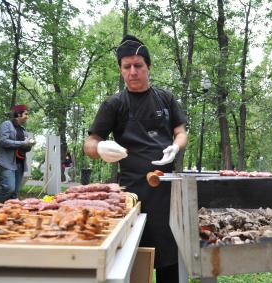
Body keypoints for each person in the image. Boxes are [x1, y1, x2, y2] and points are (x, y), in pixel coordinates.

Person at [84, 34, 187, 283]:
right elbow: (90, 142)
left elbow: (181, 132)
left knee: (169, 258)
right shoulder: (114, 104)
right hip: (131, 195)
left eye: (138, 65)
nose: (133, 72)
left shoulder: (165, 98)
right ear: (120, 70)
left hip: (167, 192)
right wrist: (99, 149)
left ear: (148, 66)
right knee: (130, 260)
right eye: (126, 66)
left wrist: (175, 147)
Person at [0, 104, 35, 203]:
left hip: (20, 164)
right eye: (26, 114)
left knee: (14, 193)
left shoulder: (23, 130)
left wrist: (29, 145)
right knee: (8, 189)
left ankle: (8, 215)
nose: (27, 116)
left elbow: (25, 148)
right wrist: (23, 143)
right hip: (5, 163)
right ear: (18, 114)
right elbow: (3, 141)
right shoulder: (6, 124)